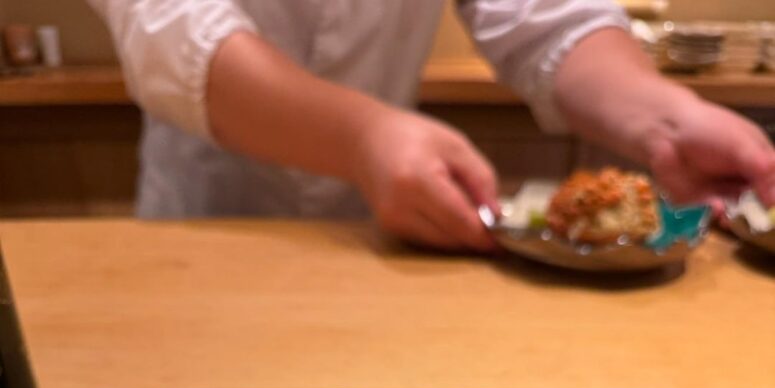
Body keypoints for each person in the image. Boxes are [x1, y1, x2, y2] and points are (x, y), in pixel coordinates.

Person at [89, 1, 775, 251]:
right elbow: (170, 29)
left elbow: (547, 17)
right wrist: (361, 138)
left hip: (392, 243)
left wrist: (667, 118)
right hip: (209, 233)